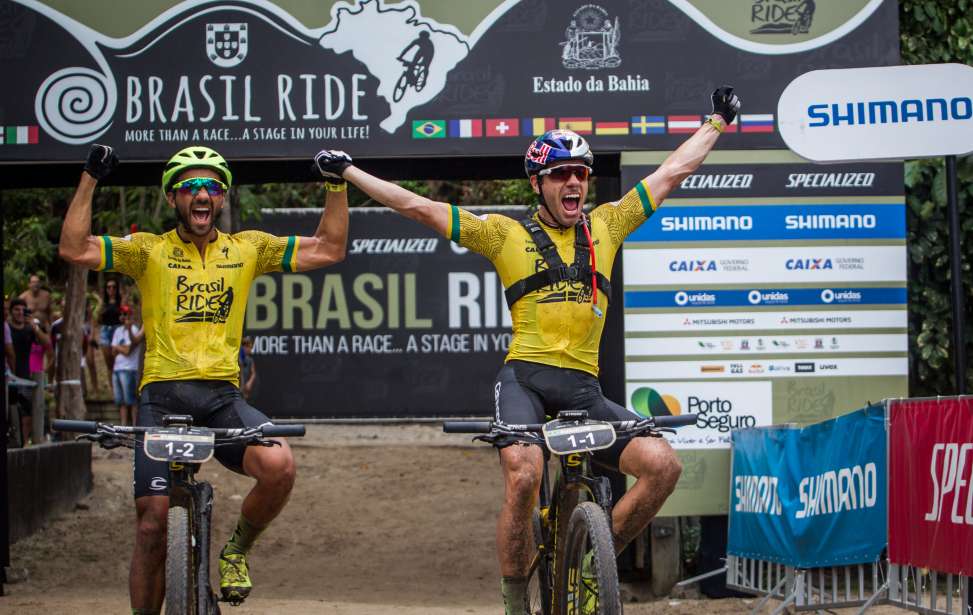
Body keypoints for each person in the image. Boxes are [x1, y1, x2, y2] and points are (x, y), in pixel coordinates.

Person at [319, 86, 741, 614]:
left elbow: (671, 173)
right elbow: (419, 207)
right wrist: (348, 172)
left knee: (663, 465)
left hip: (584, 388)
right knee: (524, 475)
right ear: (538, 183)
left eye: (581, 173)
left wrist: (717, 123)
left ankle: (591, 560)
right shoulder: (503, 235)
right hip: (525, 381)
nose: (573, 182)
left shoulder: (607, 226)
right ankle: (516, 600)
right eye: (561, 174)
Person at [58, 143, 349, 614]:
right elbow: (74, 248)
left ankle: (234, 551)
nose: (201, 194)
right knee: (151, 525)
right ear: (173, 198)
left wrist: (336, 184)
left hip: (221, 399)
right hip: (162, 397)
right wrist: (90, 177)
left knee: (280, 467)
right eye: (189, 186)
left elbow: (330, 248)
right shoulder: (147, 251)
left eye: (211, 186)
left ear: (222, 199)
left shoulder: (247, 248)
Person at [7, 297, 50, 445]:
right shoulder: (7, 328)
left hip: (25, 376)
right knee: (11, 411)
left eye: (22, 310)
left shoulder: (29, 329)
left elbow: (47, 343)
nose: (19, 313)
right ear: (11, 312)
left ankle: (23, 443)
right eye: (16, 310)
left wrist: (34, 326)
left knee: (27, 412)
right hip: (10, 376)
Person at [110, 305, 141, 426]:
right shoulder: (118, 330)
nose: (123, 317)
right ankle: (123, 426)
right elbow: (113, 351)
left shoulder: (133, 330)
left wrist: (118, 348)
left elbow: (128, 351)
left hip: (129, 369)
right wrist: (119, 348)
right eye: (121, 314)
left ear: (130, 315)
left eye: (125, 314)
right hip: (117, 368)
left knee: (131, 401)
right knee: (121, 401)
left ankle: (134, 426)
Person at [97, 277, 123, 382]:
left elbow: (125, 316)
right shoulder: (103, 303)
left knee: (118, 361)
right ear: (106, 289)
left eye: (114, 287)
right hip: (105, 331)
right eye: (109, 287)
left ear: (117, 289)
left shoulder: (121, 302)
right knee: (109, 362)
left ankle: (119, 387)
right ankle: (112, 389)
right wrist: (99, 307)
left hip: (118, 331)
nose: (111, 289)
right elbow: (98, 320)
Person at [239, 336, 256, 400]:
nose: (250, 350)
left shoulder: (250, 360)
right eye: (249, 348)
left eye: (251, 348)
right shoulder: (237, 357)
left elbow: (253, 373)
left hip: (243, 389)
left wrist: (249, 383)